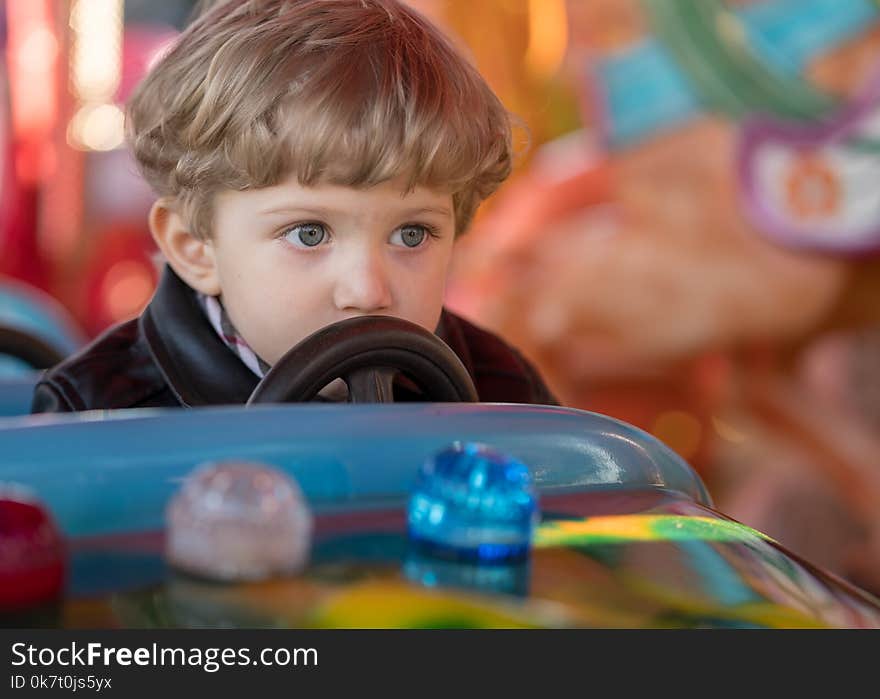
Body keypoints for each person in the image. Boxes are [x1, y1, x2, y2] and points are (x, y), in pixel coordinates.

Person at [31, 0, 558, 413]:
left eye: (412, 234)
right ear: (195, 246)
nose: (367, 291)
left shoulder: (502, 391)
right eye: (309, 233)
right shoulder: (98, 410)